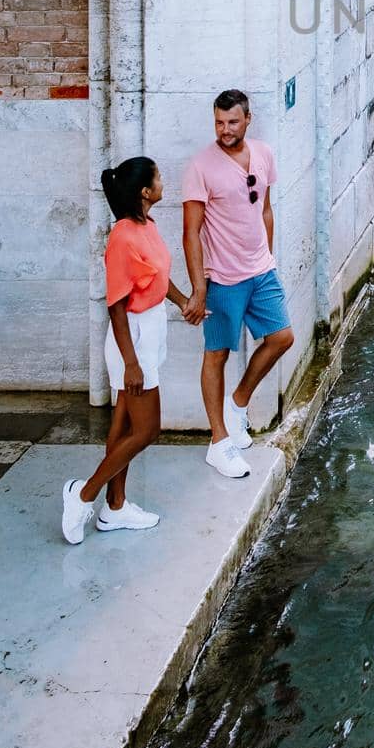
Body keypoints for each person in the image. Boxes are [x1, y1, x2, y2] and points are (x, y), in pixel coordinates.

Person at [61, 158, 195, 544]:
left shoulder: (147, 226)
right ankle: (83, 494)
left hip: (150, 331)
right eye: (158, 177)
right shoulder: (121, 236)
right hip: (131, 340)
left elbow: (156, 279)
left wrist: (184, 302)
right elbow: (116, 306)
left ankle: (114, 508)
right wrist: (131, 364)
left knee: (122, 428)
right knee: (147, 429)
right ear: (144, 191)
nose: (162, 182)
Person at [182, 90, 294, 479]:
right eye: (218, 122)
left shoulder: (263, 153)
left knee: (282, 337)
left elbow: (264, 208)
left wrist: (269, 257)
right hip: (222, 279)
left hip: (261, 271)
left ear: (248, 119)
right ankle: (219, 442)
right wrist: (198, 289)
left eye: (232, 122)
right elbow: (191, 233)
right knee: (217, 355)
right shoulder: (201, 166)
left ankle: (238, 404)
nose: (224, 130)